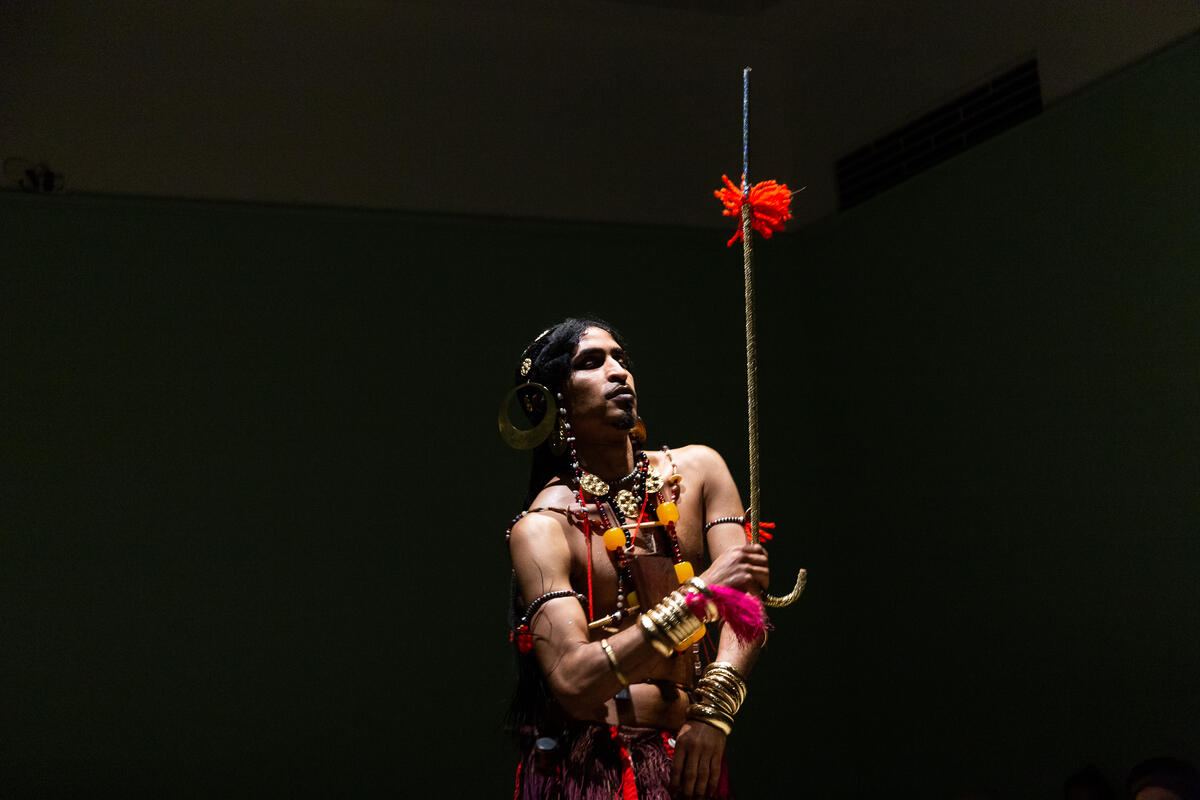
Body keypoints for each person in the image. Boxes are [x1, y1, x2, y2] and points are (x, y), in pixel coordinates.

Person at [500, 318, 771, 800]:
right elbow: (574, 680)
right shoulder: (543, 526)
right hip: (590, 769)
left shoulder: (699, 471)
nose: (618, 371)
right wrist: (699, 595)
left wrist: (714, 713)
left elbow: (746, 602)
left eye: (620, 358)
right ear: (553, 401)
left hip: (692, 752)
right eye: (591, 362)